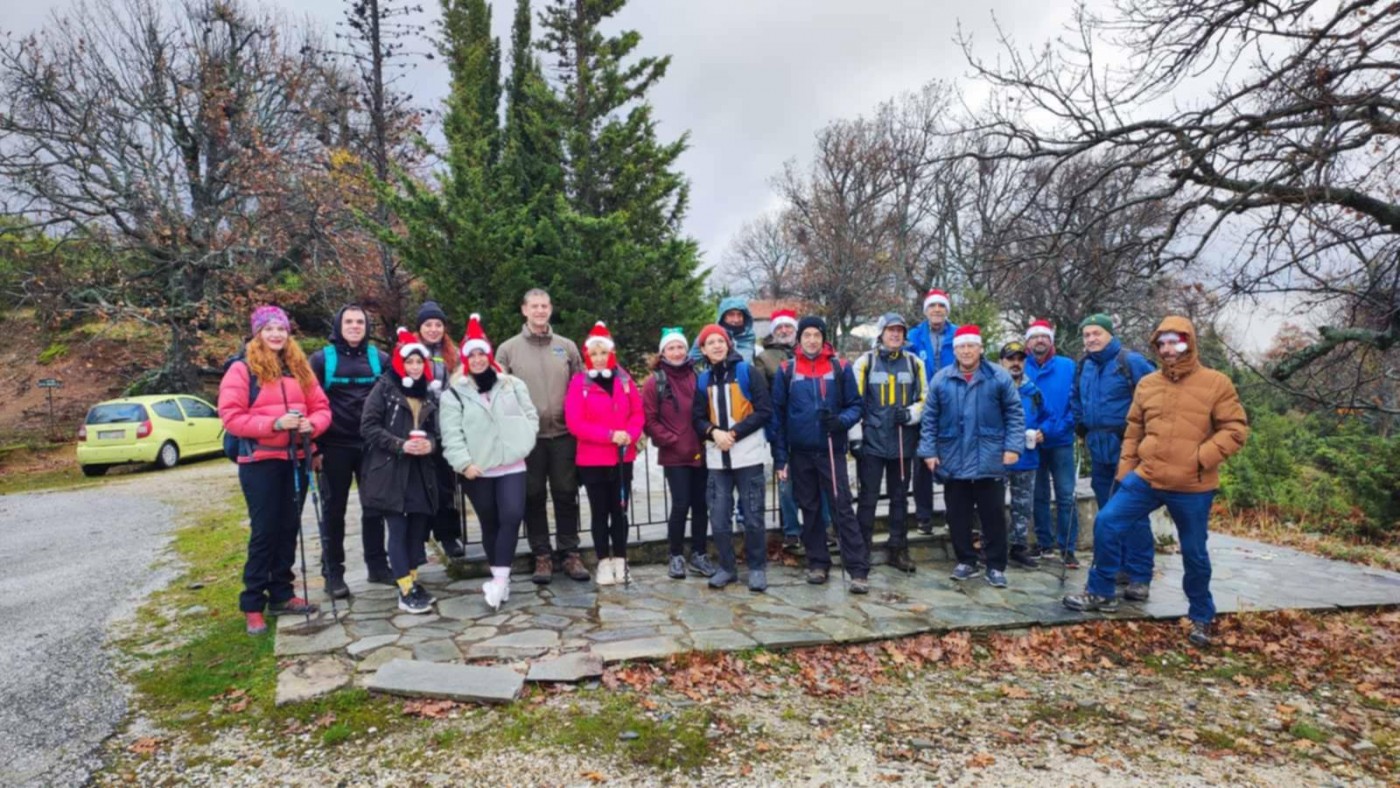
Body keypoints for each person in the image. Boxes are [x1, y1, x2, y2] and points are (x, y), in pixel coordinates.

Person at [1064, 317, 1248, 647]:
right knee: (1107, 521)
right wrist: (1126, 472)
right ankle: (1101, 590)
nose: (1167, 349)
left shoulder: (1216, 383)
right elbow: (1134, 430)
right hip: (1147, 476)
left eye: (1174, 342)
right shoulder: (1149, 384)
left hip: (1192, 485)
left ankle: (1201, 616)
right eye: (1161, 343)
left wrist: (1199, 458)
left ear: (1189, 342)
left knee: (1194, 553)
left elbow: (1235, 430)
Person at [218, 305, 332, 635]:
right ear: (257, 333)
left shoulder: (299, 368)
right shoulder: (242, 370)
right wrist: (275, 424)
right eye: (268, 328)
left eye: (281, 328)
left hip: (295, 458)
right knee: (265, 531)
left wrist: (312, 425)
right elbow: (231, 417)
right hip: (260, 462)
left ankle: (282, 593)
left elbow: (322, 408)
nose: (276, 334)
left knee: (288, 529)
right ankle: (253, 603)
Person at [439, 315, 539, 611]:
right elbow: (451, 435)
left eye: (482, 354)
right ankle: (499, 578)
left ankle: (499, 579)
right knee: (490, 521)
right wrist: (464, 463)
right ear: (465, 359)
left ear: (489, 355)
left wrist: (525, 440)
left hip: (512, 465)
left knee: (512, 515)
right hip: (478, 469)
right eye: (472, 355)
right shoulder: (454, 394)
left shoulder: (511, 385)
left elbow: (529, 414)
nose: (478, 359)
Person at [495, 289, 591, 584]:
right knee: (533, 495)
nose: (540, 311)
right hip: (529, 440)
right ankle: (542, 556)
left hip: (563, 435)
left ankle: (570, 553)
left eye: (544, 306)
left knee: (566, 493)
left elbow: (581, 386)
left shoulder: (566, 347)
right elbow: (500, 394)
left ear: (550, 309)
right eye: (534, 306)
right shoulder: (508, 350)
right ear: (524, 310)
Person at [917, 325, 1024, 589]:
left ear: (980, 348)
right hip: (953, 458)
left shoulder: (998, 377)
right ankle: (966, 560)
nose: (966, 351)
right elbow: (929, 419)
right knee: (957, 515)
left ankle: (996, 565)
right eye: (961, 347)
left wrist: (1013, 447)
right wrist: (928, 451)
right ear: (955, 350)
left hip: (990, 457)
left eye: (971, 346)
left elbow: (1014, 413)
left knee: (994, 515)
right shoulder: (941, 379)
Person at [771, 316, 871, 594]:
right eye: (807, 335)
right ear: (799, 339)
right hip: (800, 452)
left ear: (824, 338)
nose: (812, 340)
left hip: (831, 450)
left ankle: (858, 569)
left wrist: (840, 421)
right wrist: (781, 458)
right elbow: (778, 417)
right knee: (810, 509)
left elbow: (856, 405)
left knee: (842, 508)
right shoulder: (786, 370)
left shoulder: (840, 367)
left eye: (817, 335)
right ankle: (817, 562)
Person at [308, 305, 393, 597]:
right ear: (338, 326)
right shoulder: (321, 360)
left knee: (375, 506)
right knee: (334, 510)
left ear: (367, 327)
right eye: (349, 322)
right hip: (334, 446)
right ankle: (333, 572)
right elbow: (309, 402)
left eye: (360, 322)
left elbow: (391, 399)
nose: (355, 326)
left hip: (372, 445)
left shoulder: (380, 359)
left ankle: (378, 566)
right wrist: (314, 448)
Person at [1072, 313, 1158, 600]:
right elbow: (1076, 397)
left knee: (1133, 513)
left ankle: (1140, 575)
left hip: (1129, 450)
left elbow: (1156, 397)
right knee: (1107, 513)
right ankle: (1118, 566)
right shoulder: (1084, 365)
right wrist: (1080, 422)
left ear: (1110, 334)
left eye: (1096, 333)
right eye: (1087, 335)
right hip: (1099, 450)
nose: (1091, 339)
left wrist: (1144, 437)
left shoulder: (1130, 362)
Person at [359, 328, 443, 614]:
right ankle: (405, 589)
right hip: (390, 469)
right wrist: (399, 445)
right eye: (410, 362)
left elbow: (435, 432)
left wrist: (430, 445)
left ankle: (413, 581)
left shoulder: (428, 392)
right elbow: (369, 426)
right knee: (398, 527)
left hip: (420, 470)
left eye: (420, 362)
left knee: (417, 529)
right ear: (400, 363)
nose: (415, 367)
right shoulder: (384, 388)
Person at [693, 323, 772, 591]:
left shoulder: (747, 372)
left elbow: (764, 410)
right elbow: (697, 418)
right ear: (703, 349)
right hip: (718, 460)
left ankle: (757, 568)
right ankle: (727, 567)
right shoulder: (703, 380)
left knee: (753, 515)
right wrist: (713, 432)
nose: (717, 346)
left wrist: (734, 434)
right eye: (710, 342)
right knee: (718, 517)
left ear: (728, 344)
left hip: (748, 456)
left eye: (721, 341)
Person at [565, 322, 645, 586]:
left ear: (611, 353)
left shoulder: (624, 380)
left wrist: (630, 434)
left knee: (620, 511)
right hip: (593, 460)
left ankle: (621, 560)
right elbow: (575, 423)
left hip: (622, 458)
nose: (599, 358)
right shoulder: (579, 383)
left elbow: (637, 413)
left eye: (603, 353)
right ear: (587, 356)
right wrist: (610, 435)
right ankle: (603, 562)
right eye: (594, 354)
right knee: (599, 512)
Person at [850, 313, 926, 573]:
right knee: (868, 498)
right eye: (890, 330)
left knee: (900, 498)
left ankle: (898, 549)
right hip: (872, 442)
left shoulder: (915, 363)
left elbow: (925, 399)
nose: (895, 335)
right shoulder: (865, 362)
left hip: (903, 441)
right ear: (881, 333)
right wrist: (855, 438)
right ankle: (861, 550)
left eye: (900, 331)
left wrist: (911, 414)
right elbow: (854, 402)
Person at [643, 327, 718, 579]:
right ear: (663, 352)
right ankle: (675, 555)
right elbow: (649, 420)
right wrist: (671, 440)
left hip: (700, 451)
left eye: (680, 347)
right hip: (675, 455)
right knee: (680, 504)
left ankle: (699, 553)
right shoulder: (655, 382)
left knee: (701, 505)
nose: (676, 352)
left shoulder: (698, 377)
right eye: (671, 348)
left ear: (687, 350)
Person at [756, 308, 830, 551]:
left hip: (813, 428)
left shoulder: (816, 354)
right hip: (783, 427)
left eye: (788, 326)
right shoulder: (765, 358)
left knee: (820, 482)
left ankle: (824, 527)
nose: (784, 330)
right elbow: (765, 395)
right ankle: (791, 530)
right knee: (786, 481)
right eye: (779, 327)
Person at [1023, 319, 1080, 567]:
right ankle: (1044, 543)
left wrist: (1054, 429)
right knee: (1039, 495)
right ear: (1028, 342)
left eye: (1044, 337)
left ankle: (1068, 547)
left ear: (1051, 341)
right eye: (1035, 337)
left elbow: (1075, 404)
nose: (1040, 341)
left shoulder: (1068, 366)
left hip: (1061, 441)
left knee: (1066, 495)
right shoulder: (1020, 366)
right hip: (1032, 442)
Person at [414, 301, 466, 559]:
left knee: (445, 486)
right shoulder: (409, 352)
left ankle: (448, 535)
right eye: (428, 324)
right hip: (418, 427)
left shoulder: (452, 354)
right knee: (419, 486)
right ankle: (418, 539)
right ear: (420, 327)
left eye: (438, 324)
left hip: (445, 427)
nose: (433, 329)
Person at [905, 288, 959, 534]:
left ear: (947, 310)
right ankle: (923, 516)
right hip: (923, 404)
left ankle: (954, 514)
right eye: (933, 306)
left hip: (953, 404)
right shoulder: (914, 336)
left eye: (941, 306)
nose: (937, 310)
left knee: (953, 461)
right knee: (922, 463)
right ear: (926, 310)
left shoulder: (958, 334)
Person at [999, 341, 1047, 569]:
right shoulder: (994, 387)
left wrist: (1043, 431)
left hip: (1027, 457)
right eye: (1011, 359)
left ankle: (1018, 547)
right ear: (1001, 362)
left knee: (1023, 506)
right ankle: (993, 546)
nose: (1015, 363)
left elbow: (1047, 417)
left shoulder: (1033, 391)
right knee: (993, 505)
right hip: (998, 457)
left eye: (1020, 359)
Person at [689, 296, 756, 364]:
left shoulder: (749, 336)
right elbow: (690, 362)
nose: (736, 320)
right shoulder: (709, 336)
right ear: (723, 316)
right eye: (731, 315)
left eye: (739, 315)